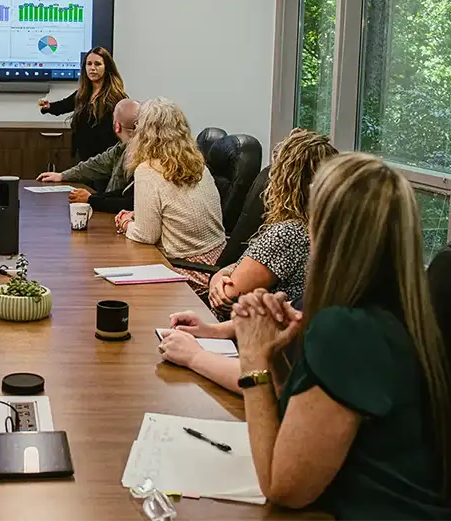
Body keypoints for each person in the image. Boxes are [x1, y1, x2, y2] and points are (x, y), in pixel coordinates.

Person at [232, 153, 451, 517]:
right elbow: (309, 424)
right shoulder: (403, 320)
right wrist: (277, 357)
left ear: (326, 231)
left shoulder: (347, 331)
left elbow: (282, 487)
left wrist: (252, 356)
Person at [201, 129, 336, 320]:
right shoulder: (329, 230)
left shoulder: (288, 234)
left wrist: (218, 277)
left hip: (243, 335)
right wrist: (223, 273)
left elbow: (228, 297)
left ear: (283, 181)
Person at [115, 99, 225, 294]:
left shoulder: (147, 170)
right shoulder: (199, 164)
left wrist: (125, 222)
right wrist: (138, 216)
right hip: (219, 266)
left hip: (187, 271)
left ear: (144, 132)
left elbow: (146, 235)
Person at [36, 99, 140, 213]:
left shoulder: (142, 156)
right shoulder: (121, 149)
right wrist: (62, 176)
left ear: (117, 126)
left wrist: (91, 199)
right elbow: (97, 163)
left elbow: (130, 202)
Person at [38, 46, 128, 163]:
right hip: (83, 157)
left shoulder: (117, 97)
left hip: (105, 160)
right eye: (89, 64)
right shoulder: (83, 94)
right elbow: (64, 105)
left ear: (107, 68)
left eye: (97, 64)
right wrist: (48, 107)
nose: (92, 68)